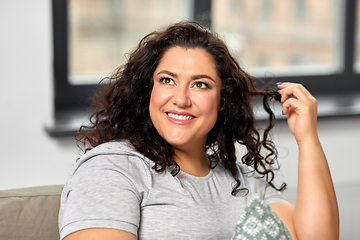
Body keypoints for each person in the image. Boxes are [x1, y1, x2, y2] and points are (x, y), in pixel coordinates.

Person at [58, 21, 339, 240]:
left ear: (223, 100)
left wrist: (308, 139)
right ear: (148, 91)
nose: (180, 99)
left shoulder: (242, 181)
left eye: (200, 84)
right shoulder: (113, 168)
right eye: (167, 80)